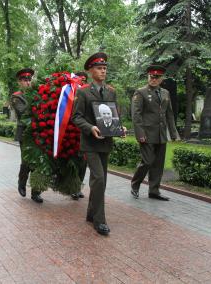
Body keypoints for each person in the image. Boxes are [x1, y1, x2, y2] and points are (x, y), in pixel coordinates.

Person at [72, 52, 122, 236]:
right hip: (90, 143)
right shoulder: (83, 92)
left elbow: (115, 113)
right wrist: (90, 127)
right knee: (99, 178)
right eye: (99, 68)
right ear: (91, 71)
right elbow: (76, 117)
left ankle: (91, 214)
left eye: (104, 68)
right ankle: (99, 221)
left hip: (105, 142)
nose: (103, 71)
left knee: (101, 181)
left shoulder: (111, 91)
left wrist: (120, 127)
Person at [130, 65, 179, 201]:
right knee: (147, 161)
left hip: (161, 134)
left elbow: (169, 114)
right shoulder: (141, 92)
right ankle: (135, 184)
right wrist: (140, 134)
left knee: (158, 164)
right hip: (146, 133)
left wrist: (173, 133)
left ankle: (154, 191)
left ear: (161, 79)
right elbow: (136, 115)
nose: (153, 79)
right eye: (151, 76)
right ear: (148, 77)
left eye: (157, 77)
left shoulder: (165, 93)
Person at [11, 68, 43, 203]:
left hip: (38, 131)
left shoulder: (37, 94)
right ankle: (22, 182)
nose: (28, 83)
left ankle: (36, 192)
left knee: (39, 161)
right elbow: (23, 113)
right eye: (25, 80)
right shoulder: (16, 96)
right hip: (24, 132)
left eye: (30, 80)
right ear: (19, 82)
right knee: (27, 161)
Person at [71, 71, 89, 201]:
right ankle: (73, 188)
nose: (82, 82)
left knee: (83, 163)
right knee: (75, 163)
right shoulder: (71, 93)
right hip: (72, 134)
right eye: (80, 80)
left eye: (84, 80)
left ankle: (78, 187)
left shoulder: (88, 94)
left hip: (86, 133)